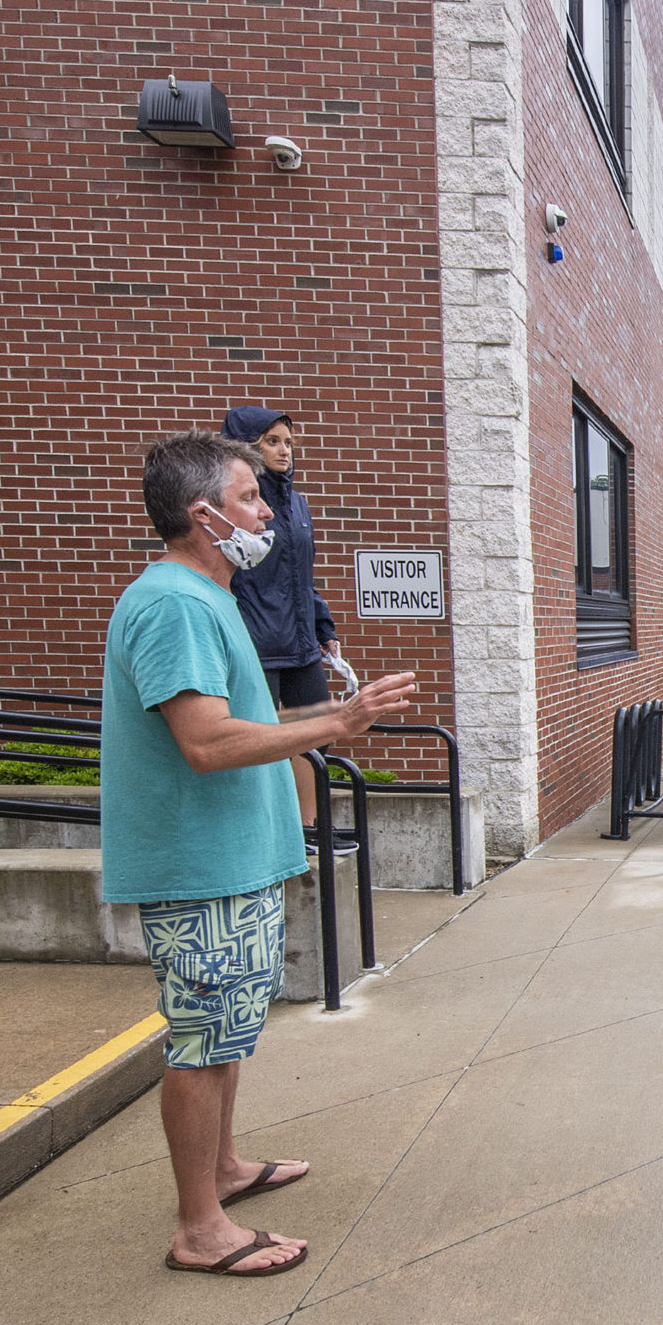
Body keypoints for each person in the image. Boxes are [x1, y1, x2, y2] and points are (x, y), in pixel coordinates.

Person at [104, 432, 415, 1276]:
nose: (266, 510)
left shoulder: (205, 597)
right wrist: (337, 725)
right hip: (200, 866)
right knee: (202, 1040)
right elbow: (203, 742)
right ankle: (199, 1228)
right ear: (203, 514)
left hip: (231, 861)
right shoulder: (174, 603)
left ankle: (226, 1169)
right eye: (248, 497)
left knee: (228, 1029)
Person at [219, 407, 344, 847]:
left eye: (288, 442)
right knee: (265, 742)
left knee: (317, 731)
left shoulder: (296, 503)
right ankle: (273, 831)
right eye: (272, 441)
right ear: (246, 446)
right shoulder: (236, 507)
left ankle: (308, 829)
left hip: (300, 641)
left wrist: (322, 627)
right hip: (258, 641)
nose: (283, 450)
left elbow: (301, 575)